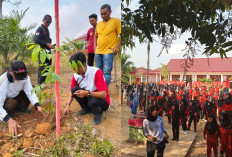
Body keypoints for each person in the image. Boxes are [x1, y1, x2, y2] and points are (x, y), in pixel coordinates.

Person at [62, 52, 110, 125]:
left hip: (102, 101)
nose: (74, 70)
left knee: (92, 100)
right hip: (89, 97)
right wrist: (68, 105)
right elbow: (71, 92)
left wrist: (87, 93)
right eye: (73, 68)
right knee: (74, 90)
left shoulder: (96, 72)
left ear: (84, 65)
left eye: (76, 68)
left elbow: (103, 94)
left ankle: (99, 113)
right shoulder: (76, 76)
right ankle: (87, 109)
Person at [0, 61, 43, 135]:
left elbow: (29, 91)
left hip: (16, 95)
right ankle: (8, 115)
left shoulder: (24, 76)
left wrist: (37, 105)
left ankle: (20, 109)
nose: (20, 78)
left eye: (22, 75)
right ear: (11, 71)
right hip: (6, 101)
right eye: (18, 75)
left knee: (33, 89)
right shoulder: (3, 81)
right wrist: (9, 120)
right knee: (11, 103)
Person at [94, 4, 121, 87]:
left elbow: (121, 35)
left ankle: (104, 90)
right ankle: (100, 89)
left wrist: (117, 47)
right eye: (101, 14)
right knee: (99, 72)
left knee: (106, 72)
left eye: (105, 13)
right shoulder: (98, 24)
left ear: (110, 12)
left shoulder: (116, 21)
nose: (103, 16)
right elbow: (96, 36)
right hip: (98, 52)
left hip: (109, 51)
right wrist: (95, 48)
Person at [34, 14, 54, 85]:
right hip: (42, 52)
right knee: (42, 67)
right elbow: (36, 40)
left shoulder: (47, 30)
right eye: (46, 22)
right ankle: (40, 82)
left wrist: (50, 44)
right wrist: (47, 44)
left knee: (48, 66)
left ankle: (45, 82)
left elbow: (46, 40)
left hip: (48, 51)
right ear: (43, 20)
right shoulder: (39, 29)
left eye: (49, 22)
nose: (47, 24)